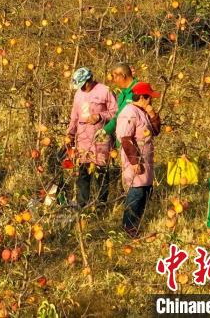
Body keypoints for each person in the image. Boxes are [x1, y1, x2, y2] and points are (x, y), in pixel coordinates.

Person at [67, 67, 118, 210]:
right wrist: (70, 133)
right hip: (83, 139)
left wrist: (100, 116)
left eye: (84, 84)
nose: (82, 88)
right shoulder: (78, 94)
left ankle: (101, 205)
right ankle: (82, 204)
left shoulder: (104, 91)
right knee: (83, 172)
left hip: (101, 138)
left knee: (101, 172)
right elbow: (74, 116)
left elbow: (115, 112)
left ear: (90, 80)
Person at [116, 82, 161, 238]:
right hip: (135, 162)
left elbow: (155, 131)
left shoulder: (142, 111)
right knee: (136, 194)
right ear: (142, 97)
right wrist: (135, 162)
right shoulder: (130, 113)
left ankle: (136, 227)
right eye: (149, 98)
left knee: (145, 192)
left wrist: (153, 113)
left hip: (146, 160)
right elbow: (125, 138)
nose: (151, 100)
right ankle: (128, 229)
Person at [95, 62, 138, 146]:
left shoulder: (138, 90)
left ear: (123, 76)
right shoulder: (122, 93)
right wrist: (105, 130)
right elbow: (118, 115)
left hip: (135, 142)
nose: (114, 80)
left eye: (115, 77)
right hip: (123, 141)